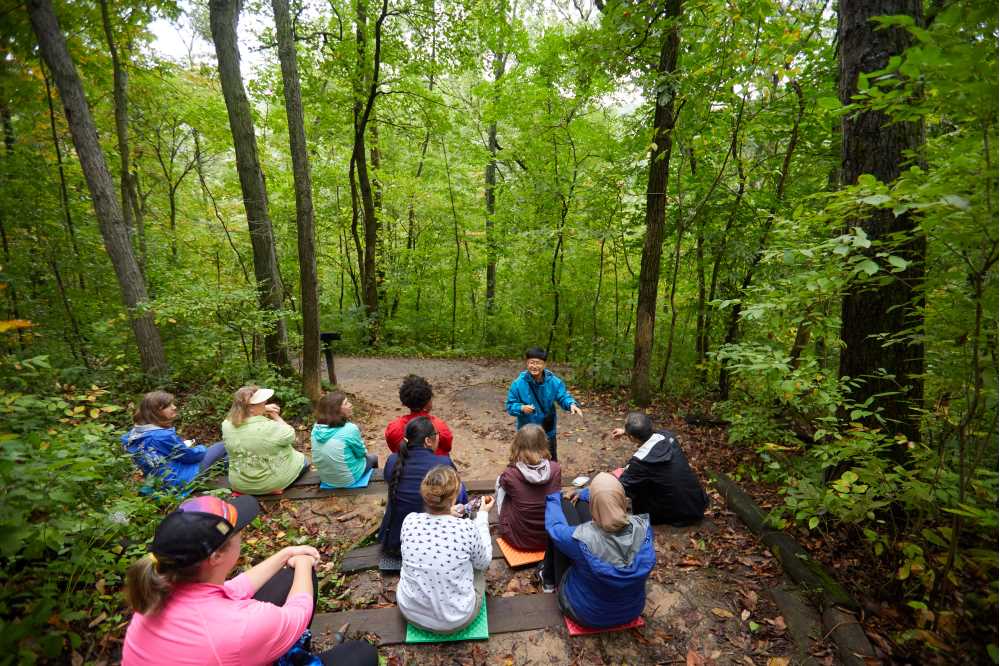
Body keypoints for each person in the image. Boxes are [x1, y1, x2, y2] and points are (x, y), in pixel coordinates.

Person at [121, 494, 378, 665]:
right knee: (361, 654)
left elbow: (233, 589)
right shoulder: (243, 625)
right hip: (233, 643)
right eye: (238, 532)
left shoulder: (157, 591)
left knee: (289, 576)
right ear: (216, 556)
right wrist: (302, 562)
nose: (243, 535)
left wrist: (285, 554)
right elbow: (297, 614)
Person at [544, 472, 655, 628]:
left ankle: (548, 581)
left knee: (560, 536)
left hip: (586, 614)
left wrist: (554, 497)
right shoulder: (644, 529)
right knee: (580, 507)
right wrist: (583, 493)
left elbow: (554, 527)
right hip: (632, 611)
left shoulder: (580, 539)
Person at [396, 465, 494, 633]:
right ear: (454, 496)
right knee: (477, 565)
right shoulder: (466, 528)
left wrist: (448, 513)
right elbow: (484, 563)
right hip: (457, 619)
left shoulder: (409, 521)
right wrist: (483, 516)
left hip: (411, 613)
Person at [377, 416, 467, 557]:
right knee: (460, 488)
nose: (439, 438)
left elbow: (390, 480)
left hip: (395, 541)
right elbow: (456, 498)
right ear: (428, 441)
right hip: (432, 541)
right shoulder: (443, 463)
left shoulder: (393, 460)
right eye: (437, 435)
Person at [609, 412, 708, 526]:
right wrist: (626, 432)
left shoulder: (641, 461)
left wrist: (614, 475)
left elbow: (624, 485)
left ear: (632, 437)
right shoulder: (668, 436)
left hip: (680, 514)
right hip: (696, 502)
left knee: (636, 486)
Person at [122, 391, 228, 490]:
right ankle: (233, 476)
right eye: (168, 406)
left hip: (158, 480)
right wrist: (201, 448)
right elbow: (191, 457)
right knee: (223, 445)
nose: (174, 407)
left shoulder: (132, 435)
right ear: (156, 412)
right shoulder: (161, 436)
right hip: (180, 478)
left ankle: (226, 471)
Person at [222, 386, 307, 495]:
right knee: (302, 460)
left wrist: (263, 408)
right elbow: (291, 435)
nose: (265, 402)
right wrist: (276, 417)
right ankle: (273, 488)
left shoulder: (226, 424)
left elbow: (244, 413)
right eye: (261, 402)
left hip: (240, 485)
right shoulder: (269, 427)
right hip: (271, 483)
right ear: (251, 408)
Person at [505, 346, 582, 461]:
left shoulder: (554, 382)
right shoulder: (518, 383)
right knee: (525, 461)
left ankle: (551, 478)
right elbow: (510, 406)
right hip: (527, 431)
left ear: (544, 364)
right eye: (531, 362)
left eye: (538, 363)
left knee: (550, 459)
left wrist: (571, 404)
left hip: (547, 429)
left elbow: (563, 396)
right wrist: (521, 408)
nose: (534, 366)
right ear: (527, 363)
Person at [495, 424, 562, 554]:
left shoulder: (510, 474)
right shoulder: (555, 468)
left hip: (518, 540)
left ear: (517, 445)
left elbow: (504, 487)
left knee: (500, 483)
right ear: (544, 444)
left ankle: (503, 519)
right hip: (550, 537)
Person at [311, 392, 378, 487]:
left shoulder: (316, 428)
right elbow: (361, 454)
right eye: (346, 403)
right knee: (373, 458)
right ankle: (375, 486)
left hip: (326, 479)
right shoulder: (350, 429)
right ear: (336, 410)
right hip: (348, 479)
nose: (350, 405)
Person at [383, 375, 453, 456]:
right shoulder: (439, 427)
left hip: (405, 466)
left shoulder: (394, 427)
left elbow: (394, 449)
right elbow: (448, 447)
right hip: (434, 466)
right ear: (428, 402)